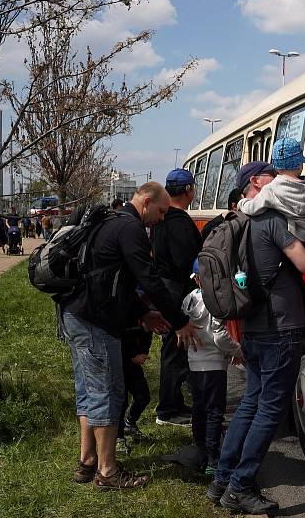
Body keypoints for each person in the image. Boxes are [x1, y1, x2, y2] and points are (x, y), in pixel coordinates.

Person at [60, 182, 200, 489]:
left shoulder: (111, 221)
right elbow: (148, 279)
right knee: (107, 392)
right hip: (95, 321)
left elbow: (112, 280)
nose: (162, 219)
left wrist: (141, 314)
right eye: (161, 211)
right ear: (146, 202)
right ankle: (107, 472)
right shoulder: (130, 228)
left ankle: (87, 462)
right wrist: (179, 321)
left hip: (77, 313)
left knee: (88, 391)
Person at [207, 162, 305, 515]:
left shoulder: (239, 223)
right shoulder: (270, 221)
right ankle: (240, 486)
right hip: (279, 329)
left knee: (251, 404)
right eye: (274, 177)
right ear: (257, 183)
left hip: (252, 328)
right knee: (270, 410)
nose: (285, 182)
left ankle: (222, 479)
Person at [237, 139, 305, 336]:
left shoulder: (272, 190)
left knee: (287, 274)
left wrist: (242, 204)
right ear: (300, 164)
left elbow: (253, 208)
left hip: (296, 240)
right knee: (294, 275)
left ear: (276, 166)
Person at [152, 169, 203, 427]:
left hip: (166, 290)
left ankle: (173, 403)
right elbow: (187, 261)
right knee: (175, 350)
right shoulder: (180, 222)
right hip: (176, 293)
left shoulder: (162, 218)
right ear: (188, 191)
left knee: (174, 349)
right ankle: (168, 409)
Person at [182, 259, 241, 475]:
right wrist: (236, 351)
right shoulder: (216, 301)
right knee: (215, 411)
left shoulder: (189, 300)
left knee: (199, 408)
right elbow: (220, 336)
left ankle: (199, 449)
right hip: (214, 365)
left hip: (194, 362)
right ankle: (212, 456)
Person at [115, 322, 152, 454]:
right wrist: (131, 356)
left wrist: (142, 351)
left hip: (133, 364)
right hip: (118, 362)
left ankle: (129, 423)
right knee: (121, 401)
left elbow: (147, 334)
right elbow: (118, 332)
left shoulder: (145, 311)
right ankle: (118, 438)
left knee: (143, 396)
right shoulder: (122, 309)